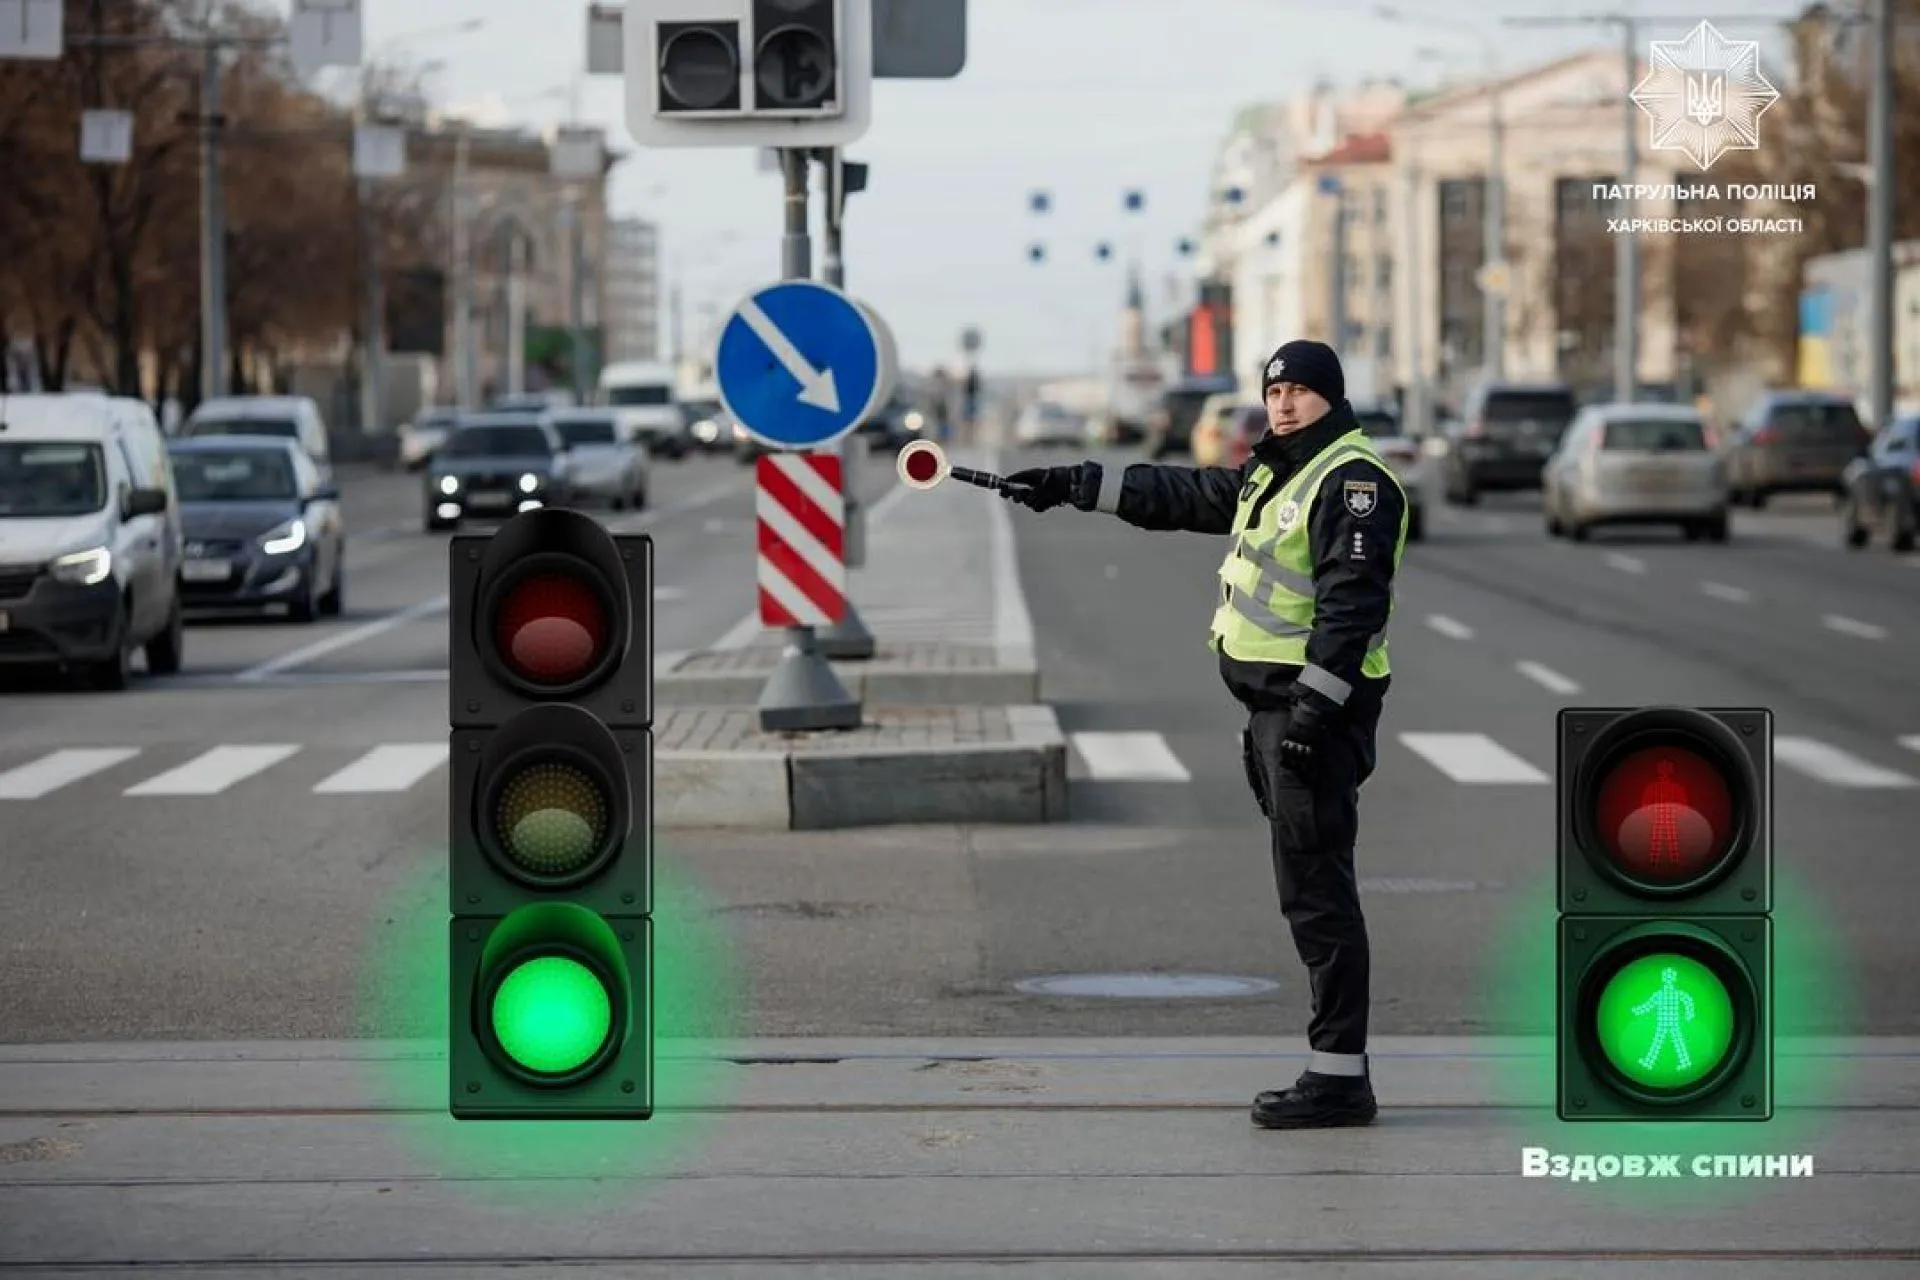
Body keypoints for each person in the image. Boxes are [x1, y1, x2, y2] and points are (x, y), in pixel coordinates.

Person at [1001, 339, 1408, 1129]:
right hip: (1277, 713)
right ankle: (1335, 1072)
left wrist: (1314, 717)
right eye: (1276, 390)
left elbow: (1351, 608)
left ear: (1332, 397)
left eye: (1300, 391)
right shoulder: (1280, 469)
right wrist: (1072, 484)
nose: (1284, 403)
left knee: (1319, 895)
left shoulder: (1351, 481)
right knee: (1307, 892)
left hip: (1309, 714)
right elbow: (1183, 495)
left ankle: (1338, 1080)